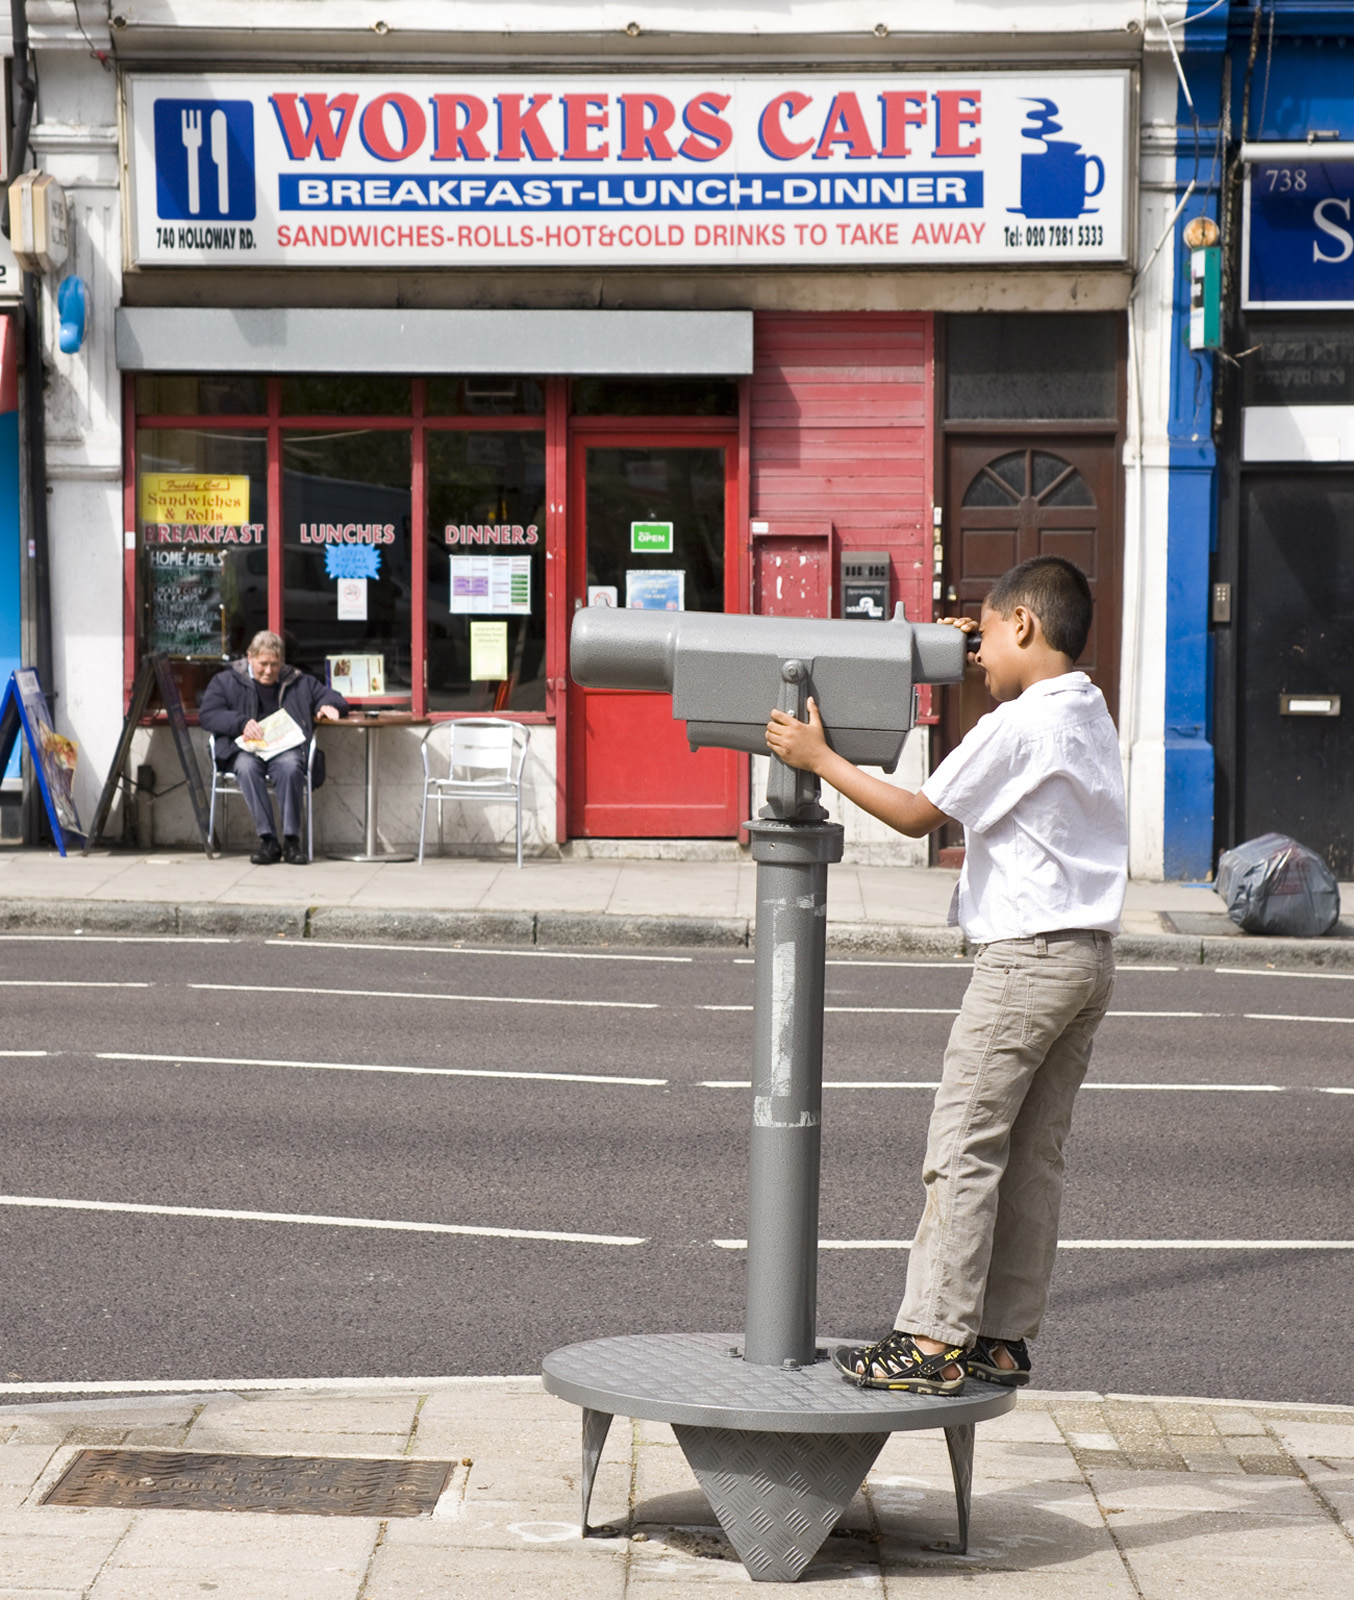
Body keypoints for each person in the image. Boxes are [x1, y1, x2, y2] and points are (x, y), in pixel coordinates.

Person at [765, 555, 1127, 1396]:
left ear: (1027, 627)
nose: (980, 653)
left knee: (963, 1147)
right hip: (1087, 959)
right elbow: (1004, 726)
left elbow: (917, 812)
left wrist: (818, 758)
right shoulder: (1084, 709)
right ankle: (999, 1338)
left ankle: (929, 1340)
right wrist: (980, 646)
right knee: (1035, 1156)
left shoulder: (1019, 727)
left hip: (1025, 963)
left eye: (990, 634)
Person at [198, 631, 349, 865]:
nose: (269, 671)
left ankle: (291, 841)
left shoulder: (298, 680)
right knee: (247, 768)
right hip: (243, 749)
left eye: (275, 664)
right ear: (250, 658)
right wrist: (240, 723)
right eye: (263, 664)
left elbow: (334, 697)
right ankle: (268, 840)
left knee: (290, 766)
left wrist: (327, 705)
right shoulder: (226, 680)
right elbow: (208, 715)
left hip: (283, 749)